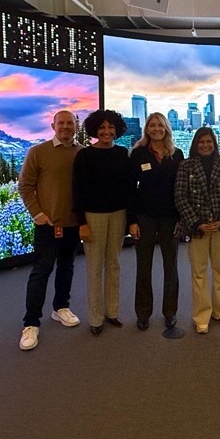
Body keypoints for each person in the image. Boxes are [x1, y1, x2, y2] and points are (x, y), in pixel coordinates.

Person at [16, 110, 83, 351]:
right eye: (61, 123)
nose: (66, 127)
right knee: (41, 271)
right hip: (47, 225)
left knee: (67, 267)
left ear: (76, 125)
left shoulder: (81, 152)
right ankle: (31, 322)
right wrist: (38, 214)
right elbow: (24, 186)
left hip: (73, 224)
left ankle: (60, 307)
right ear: (53, 125)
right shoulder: (38, 152)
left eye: (70, 123)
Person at [73, 109, 131, 336]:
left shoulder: (122, 153)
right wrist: (82, 223)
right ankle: (96, 318)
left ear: (117, 129)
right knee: (95, 267)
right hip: (93, 216)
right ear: (94, 130)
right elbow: (77, 191)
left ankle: (112, 312)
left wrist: (129, 219)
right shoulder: (84, 156)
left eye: (110, 127)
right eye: (102, 128)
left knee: (114, 264)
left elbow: (128, 188)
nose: (107, 131)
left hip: (118, 214)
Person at [175, 126, 220, 334]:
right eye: (201, 141)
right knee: (199, 273)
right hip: (197, 228)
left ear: (215, 143)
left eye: (209, 141)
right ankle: (202, 315)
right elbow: (180, 197)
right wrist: (196, 222)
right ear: (195, 144)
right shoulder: (186, 166)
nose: (205, 145)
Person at [127, 112, 184, 333]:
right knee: (144, 266)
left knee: (171, 267)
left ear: (166, 128)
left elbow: (181, 189)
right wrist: (132, 220)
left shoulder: (176, 154)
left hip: (171, 218)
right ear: (146, 129)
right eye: (152, 125)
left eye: (160, 125)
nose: (156, 128)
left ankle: (170, 312)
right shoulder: (138, 154)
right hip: (145, 217)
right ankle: (143, 313)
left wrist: (181, 218)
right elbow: (130, 190)